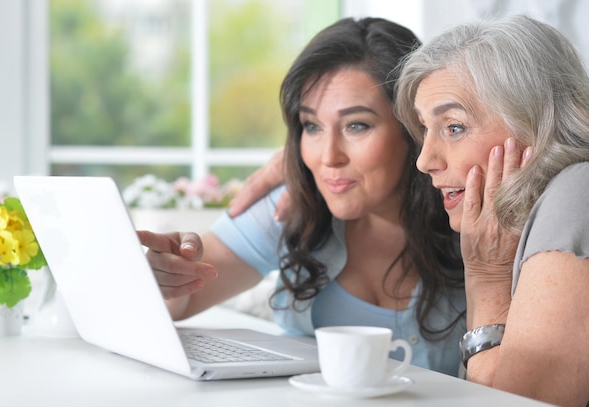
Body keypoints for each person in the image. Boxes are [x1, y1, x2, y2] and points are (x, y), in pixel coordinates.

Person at [230, 14, 589, 407]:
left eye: (453, 127)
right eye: (423, 130)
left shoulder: (576, 192)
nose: (425, 161)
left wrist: (486, 281)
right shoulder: (526, 215)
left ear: (534, 120)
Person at [138, 17, 467, 377]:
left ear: (413, 127)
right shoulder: (291, 205)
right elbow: (181, 302)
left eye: (357, 125)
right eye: (312, 126)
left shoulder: (471, 215)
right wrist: (172, 271)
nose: (328, 157)